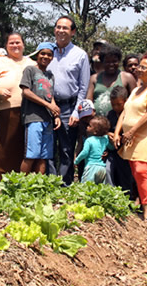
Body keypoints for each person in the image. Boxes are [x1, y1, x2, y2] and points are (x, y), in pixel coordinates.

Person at [114, 51, 147, 220]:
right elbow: (125, 112)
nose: (139, 69)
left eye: (144, 67)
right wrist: (118, 132)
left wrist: (131, 131)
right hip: (132, 137)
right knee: (136, 172)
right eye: (139, 66)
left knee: (141, 170)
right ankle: (142, 204)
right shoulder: (136, 90)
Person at [47, 16, 90, 185]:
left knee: (66, 149)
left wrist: (76, 112)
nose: (61, 31)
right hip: (47, 106)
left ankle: (65, 185)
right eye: (58, 27)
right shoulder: (47, 52)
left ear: (72, 32)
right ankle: (50, 183)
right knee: (48, 147)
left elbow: (83, 86)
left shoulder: (80, 55)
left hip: (68, 107)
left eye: (65, 28)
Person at [0, 32, 35, 179]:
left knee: (23, 146)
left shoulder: (31, 63)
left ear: (23, 44)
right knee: (4, 147)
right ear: (6, 46)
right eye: (11, 43)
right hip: (4, 111)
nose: (15, 45)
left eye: (18, 42)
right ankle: (1, 178)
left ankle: (22, 179)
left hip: (28, 111)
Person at [19, 42, 61, 175]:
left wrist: (56, 114)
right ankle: (20, 185)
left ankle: (38, 185)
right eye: (43, 53)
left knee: (44, 156)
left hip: (47, 119)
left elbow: (50, 96)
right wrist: (47, 105)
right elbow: (26, 92)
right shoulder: (30, 70)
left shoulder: (50, 75)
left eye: (49, 55)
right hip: (33, 117)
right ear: (37, 55)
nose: (45, 57)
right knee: (31, 154)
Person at [87, 44, 136, 116]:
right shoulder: (94, 78)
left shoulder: (127, 77)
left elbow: (135, 101)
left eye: (114, 61)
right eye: (107, 62)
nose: (111, 64)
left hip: (120, 122)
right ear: (102, 62)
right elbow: (88, 101)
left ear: (119, 61)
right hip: (98, 122)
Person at [106, 86, 133, 191]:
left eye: (119, 104)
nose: (116, 107)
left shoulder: (130, 115)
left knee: (126, 177)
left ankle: (129, 200)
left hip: (126, 152)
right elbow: (105, 129)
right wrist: (108, 134)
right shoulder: (111, 114)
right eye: (113, 105)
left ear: (126, 101)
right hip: (114, 151)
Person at [74, 116, 111, 184]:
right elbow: (111, 147)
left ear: (95, 132)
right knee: (100, 189)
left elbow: (84, 152)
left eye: (89, 126)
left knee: (85, 188)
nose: (87, 127)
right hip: (102, 168)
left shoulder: (89, 140)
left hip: (91, 167)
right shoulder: (105, 139)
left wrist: (76, 161)